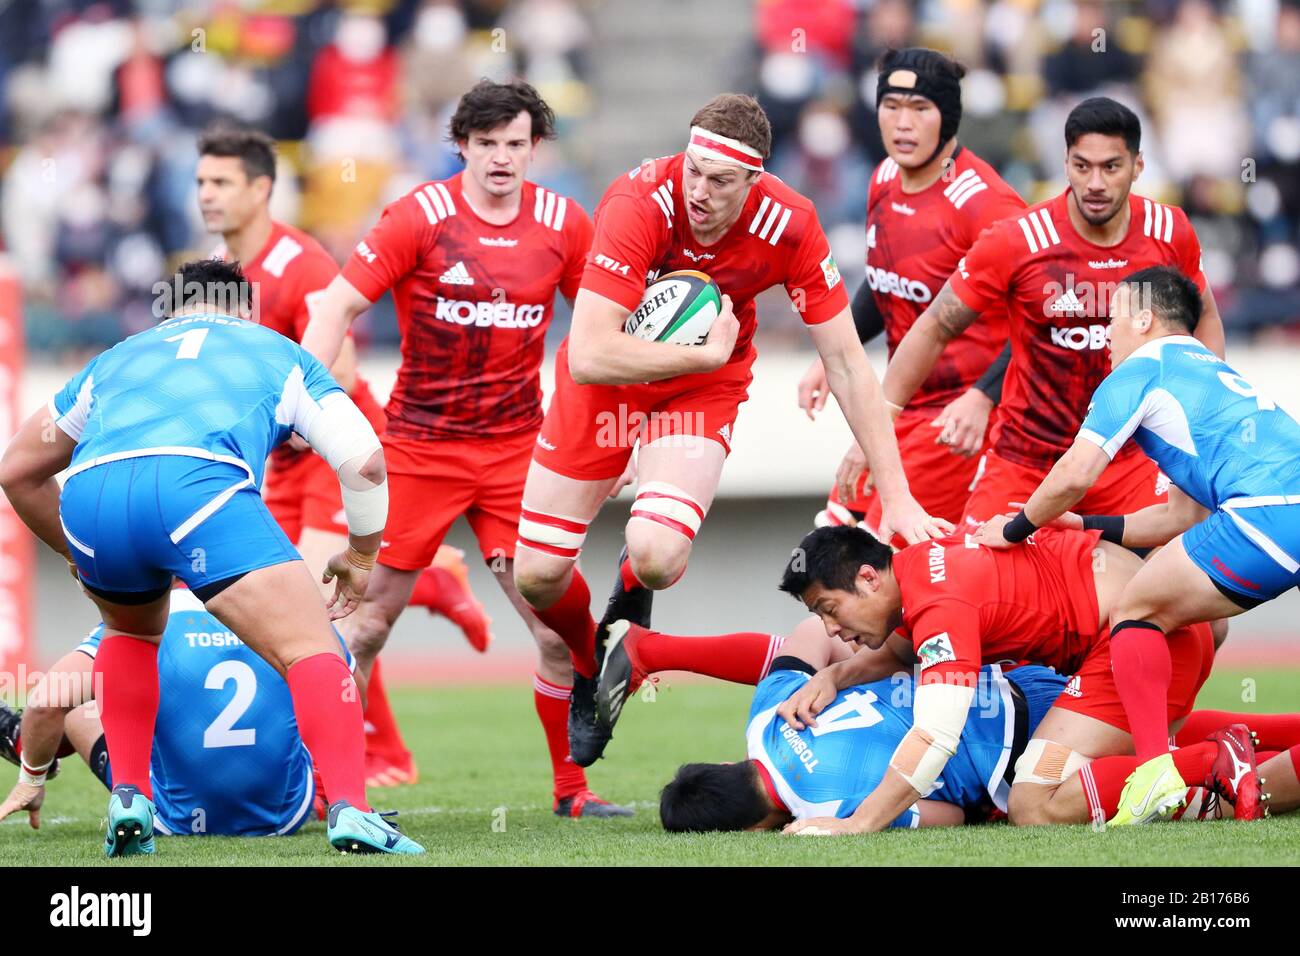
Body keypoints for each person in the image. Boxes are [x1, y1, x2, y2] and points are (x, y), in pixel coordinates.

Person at [507, 92, 951, 768]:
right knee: (537, 577)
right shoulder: (638, 201)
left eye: (719, 181)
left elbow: (847, 365)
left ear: (755, 181)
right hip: (605, 388)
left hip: (700, 390)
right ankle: (592, 656)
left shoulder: (791, 223)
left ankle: (632, 586)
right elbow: (593, 351)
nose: (699, 191)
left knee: (657, 552)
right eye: (693, 171)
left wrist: (898, 496)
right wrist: (704, 352)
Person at [0, 258, 421, 856]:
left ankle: (129, 796)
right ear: (245, 309)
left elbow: (17, 470)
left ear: (167, 313)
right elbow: (366, 461)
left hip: (93, 495)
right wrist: (359, 555)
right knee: (312, 648)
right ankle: (352, 808)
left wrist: (80, 549)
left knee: (130, 635)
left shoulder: (120, 356)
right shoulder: (274, 349)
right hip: (198, 488)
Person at [299, 79, 629, 818]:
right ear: (462, 146)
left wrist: (619, 426)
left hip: (518, 454)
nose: (502, 158)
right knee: (366, 623)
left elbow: (602, 331)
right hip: (417, 450)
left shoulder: (564, 223)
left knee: (550, 626)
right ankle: (329, 792)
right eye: (487, 144)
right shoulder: (419, 215)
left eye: (516, 144)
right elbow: (338, 306)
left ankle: (571, 791)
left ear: (535, 148)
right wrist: (310, 402)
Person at [196, 124, 472, 788]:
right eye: (201, 182)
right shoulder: (218, 267)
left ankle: (335, 778)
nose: (206, 195)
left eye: (221, 182)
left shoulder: (303, 264)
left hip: (329, 448)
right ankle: (427, 580)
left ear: (262, 188)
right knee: (271, 611)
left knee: (314, 620)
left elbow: (341, 372)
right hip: (281, 458)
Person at [974, 264, 1300, 823]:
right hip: (1278, 510)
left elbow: (1075, 470)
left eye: (1114, 321)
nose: (1105, 339)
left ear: (1142, 318)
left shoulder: (1139, 369)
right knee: (1152, 605)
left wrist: (1013, 528)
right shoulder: (1201, 371)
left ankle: (1155, 771)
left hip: (1266, 515)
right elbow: (1180, 514)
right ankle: (1211, 766)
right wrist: (1085, 525)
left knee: (1138, 610)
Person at [880, 97, 1226, 526]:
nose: (1095, 182)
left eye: (1111, 167)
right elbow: (934, 326)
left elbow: (1205, 316)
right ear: (1065, 164)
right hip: (1028, 459)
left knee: (1164, 578)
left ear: (1138, 166)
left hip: (1131, 457)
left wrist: (1205, 419)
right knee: (969, 580)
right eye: (1082, 166)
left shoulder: (1169, 230)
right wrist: (879, 427)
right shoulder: (1018, 239)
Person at [759, 525, 1226, 833]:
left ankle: (1212, 764)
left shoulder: (940, 605)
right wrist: (836, 674)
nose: (831, 630)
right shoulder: (920, 565)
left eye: (829, 610)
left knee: (1034, 805)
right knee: (1076, 767)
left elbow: (936, 737)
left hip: (1145, 643)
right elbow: (901, 651)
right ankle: (1228, 759)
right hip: (1157, 629)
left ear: (867, 578)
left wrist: (856, 824)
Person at [798, 48, 1024, 540]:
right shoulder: (883, 179)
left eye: (920, 108)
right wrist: (833, 352)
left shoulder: (986, 205)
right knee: (834, 550)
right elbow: (884, 285)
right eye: (891, 105)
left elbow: (1049, 316)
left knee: (872, 569)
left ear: (948, 118)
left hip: (955, 423)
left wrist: (983, 398)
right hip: (898, 410)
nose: (903, 122)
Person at [0, 589, 355, 836]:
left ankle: (24, 743)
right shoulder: (288, 605)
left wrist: (32, 779)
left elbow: (47, 703)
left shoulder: (140, 622)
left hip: (172, 817)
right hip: (286, 814)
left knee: (89, 700)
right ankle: (334, 799)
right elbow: (349, 687)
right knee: (310, 683)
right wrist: (326, 784)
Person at [658, 620, 1067, 832]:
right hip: (1006, 675)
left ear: (749, 829)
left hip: (1032, 751)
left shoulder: (828, 809)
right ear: (727, 766)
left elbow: (950, 817)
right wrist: (832, 675)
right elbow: (814, 629)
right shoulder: (765, 718)